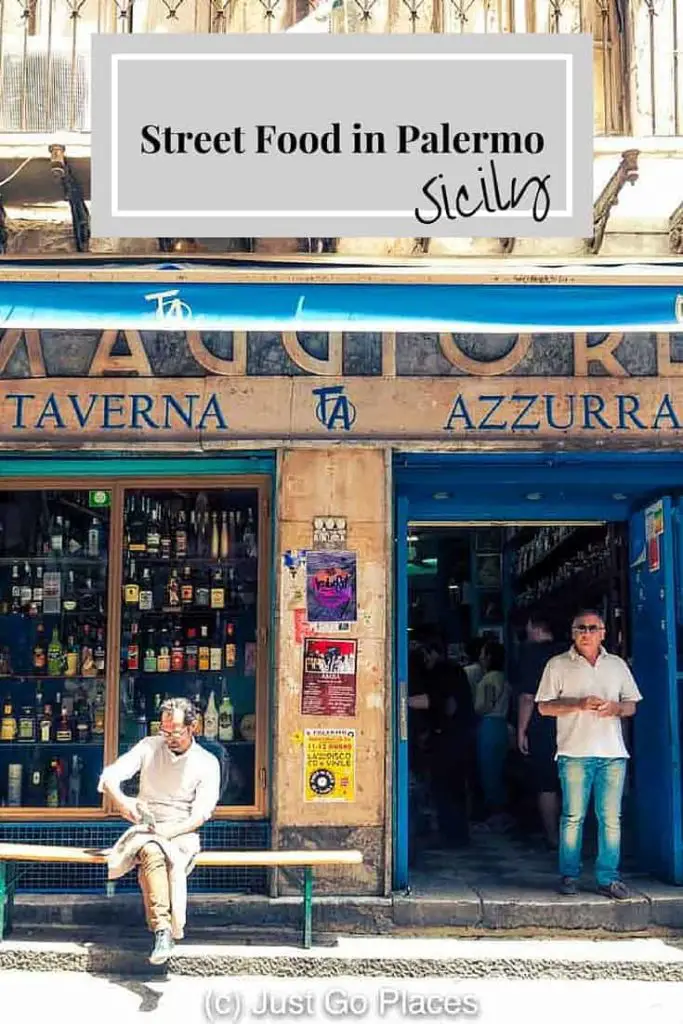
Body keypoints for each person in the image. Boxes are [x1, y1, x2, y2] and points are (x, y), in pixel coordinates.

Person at [98, 697, 221, 964]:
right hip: (146, 828)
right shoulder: (149, 746)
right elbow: (109, 776)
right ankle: (163, 931)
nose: (169, 737)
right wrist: (122, 802)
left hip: (182, 832)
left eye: (175, 731)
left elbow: (201, 814)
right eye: (164, 730)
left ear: (193, 727)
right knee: (151, 849)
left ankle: (162, 931)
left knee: (158, 852)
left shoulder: (207, 762)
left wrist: (169, 831)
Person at [535, 610, 642, 899]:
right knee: (572, 816)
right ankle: (569, 875)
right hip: (574, 752)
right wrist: (578, 704)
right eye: (580, 627)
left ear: (603, 633)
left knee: (610, 818)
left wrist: (615, 709)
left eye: (593, 628)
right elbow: (544, 707)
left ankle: (608, 878)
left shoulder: (616, 665)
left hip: (612, 753)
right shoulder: (557, 665)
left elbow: (631, 704)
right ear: (572, 633)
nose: (586, 632)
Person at [515, 616, 566, 848]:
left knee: (546, 784)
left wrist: (521, 729)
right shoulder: (569, 650)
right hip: (572, 724)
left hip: (543, 725)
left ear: (533, 625)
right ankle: (572, 837)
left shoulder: (530, 654)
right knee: (573, 782)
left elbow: (527, 697)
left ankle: (553, 836)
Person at [473, 640, 511, 822]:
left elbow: (487, 704)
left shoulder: (489, 679)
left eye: (482, 653)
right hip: (501, 725)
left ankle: (496, 813)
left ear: (488, 657)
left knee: (489, 771)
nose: (480, 657)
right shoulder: (503, 677)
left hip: (489, 726)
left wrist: (473, 711)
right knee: (499, 769)